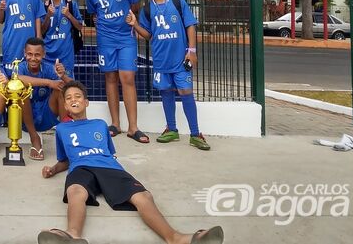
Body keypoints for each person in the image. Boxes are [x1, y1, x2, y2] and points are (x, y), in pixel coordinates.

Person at [39, 81, 224, 244]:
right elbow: (65, 160)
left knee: (143, 196)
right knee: (75, 191)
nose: (74, 100)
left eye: (78, 96)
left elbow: (109, 154)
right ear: (65, 104)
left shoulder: (100, 124)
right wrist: (53, 169)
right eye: (69, 98)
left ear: (86, 102)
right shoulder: (62, 129)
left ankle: (175, 238)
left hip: (108, 167)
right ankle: (73, 235)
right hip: (81, 167)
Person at [125, 0, 210, 151]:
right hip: (161, 61)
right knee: (166, 92)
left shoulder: (178, 3)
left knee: (186, 92)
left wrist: (192, 50)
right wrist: (135, 24)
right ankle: (171, 129)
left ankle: (195, 134)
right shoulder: (147, 10)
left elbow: (190, 26)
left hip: (181, 60)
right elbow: (148, 35)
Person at [84, 0, 147, 144]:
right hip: (105, 40)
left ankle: (133, 127)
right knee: (110, 77)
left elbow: (134, 5)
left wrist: (132, 22)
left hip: (126, 37)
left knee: (127, 78)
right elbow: (93, 14)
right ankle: (115, 124)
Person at [0, 37, 71, 160]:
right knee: (20, 89)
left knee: (62, 89)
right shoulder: (19, 67)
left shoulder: (49, 68)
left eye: (37, 55)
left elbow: (74, 87)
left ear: (44, 54)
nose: (33, 58)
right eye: (29, 54)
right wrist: (49, 82)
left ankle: (65, 135)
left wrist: (63, 76)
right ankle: (34, 138)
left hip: (46, 114)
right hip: (25, 118)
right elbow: (19, 79)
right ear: (24, 53)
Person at [43, 0, 84, 78]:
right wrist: (48, 16)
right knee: (50, 84)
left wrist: (69, 15)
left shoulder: (71, 4)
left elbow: (79, 27)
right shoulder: (44, 6)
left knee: (66, 84)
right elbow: (41, 31)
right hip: (48, 53)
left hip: (66, 54)